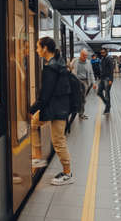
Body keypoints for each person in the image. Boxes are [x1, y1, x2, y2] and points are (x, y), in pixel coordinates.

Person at [30, 37, 74, 185]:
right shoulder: (58, 62)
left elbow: (45, 94)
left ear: (44, 48)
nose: (36, 50)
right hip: (59, 106)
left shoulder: (50, 68)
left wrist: (33, 108)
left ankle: (68, 173)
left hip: (57, 108)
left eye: (37, 47)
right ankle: (37, 157)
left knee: (58, 140)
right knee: (34, 124)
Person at [70, 49, 96, 120]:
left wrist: (94, 83)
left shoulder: (88, 62)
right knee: (77, 98)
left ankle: (81, 113)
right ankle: (75, 112)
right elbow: (69, 67)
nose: (85, 57)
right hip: (76, 81)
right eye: (83, 55)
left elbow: (91, 73)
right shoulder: (75, 61)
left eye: (86, 56)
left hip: (85, 82)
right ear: (80, 55)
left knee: (83, 98)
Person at [98, 48, 114, 114]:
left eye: (103, 52)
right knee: (99, 92)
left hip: (107, 78)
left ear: (106, 52)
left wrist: (111, 79)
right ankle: (108, 104)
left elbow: (111, 69)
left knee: (107, 94)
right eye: (101, 52)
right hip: (102, 78)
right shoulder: (102, 59)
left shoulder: (109, 58)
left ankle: (107, 109)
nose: (102, 54)